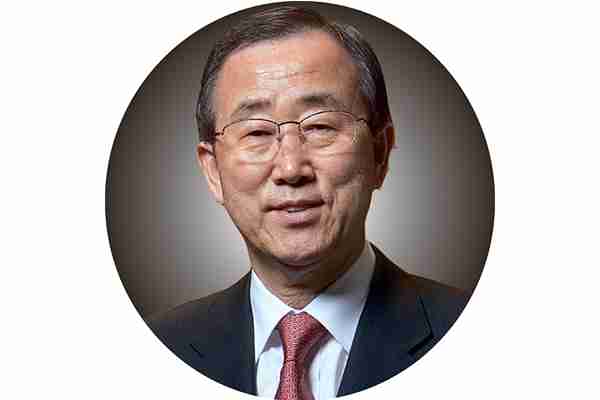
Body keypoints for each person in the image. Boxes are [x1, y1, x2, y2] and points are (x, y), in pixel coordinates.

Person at [149, 6, 468, 399]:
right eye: (256, 133)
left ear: (380, 153)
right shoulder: (159, 348)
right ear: (213, 171)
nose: (290, 168)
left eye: (320, 126)